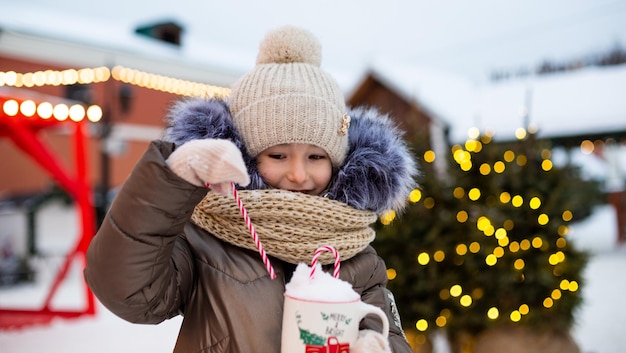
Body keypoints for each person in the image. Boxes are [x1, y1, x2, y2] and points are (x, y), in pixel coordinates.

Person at [84, 25, 417, 353]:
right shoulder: (204, 243)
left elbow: (386, 330)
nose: (299, 175)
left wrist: (379, 346)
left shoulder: (356, 257)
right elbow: (127, 292)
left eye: (316, 156)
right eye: (278, 155)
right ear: (246, 154)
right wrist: (170, 183)